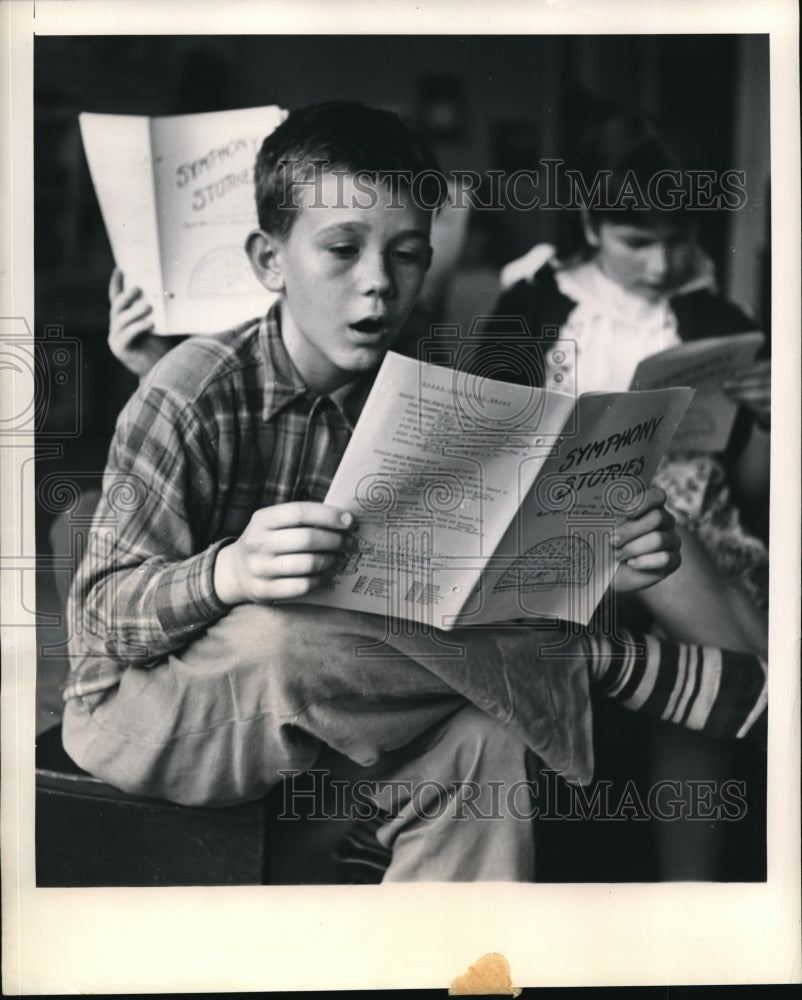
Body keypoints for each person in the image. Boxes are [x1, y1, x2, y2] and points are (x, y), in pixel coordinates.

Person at [65, 101, 766, 883]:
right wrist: (227, 571)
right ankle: (600, 664)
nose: (378, 285)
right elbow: (102, 617)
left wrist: (598, 561)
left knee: (485, 740)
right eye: (342, 250)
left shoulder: (422, 398)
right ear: (269, 260)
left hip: (328, 713)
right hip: (154, 712)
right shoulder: (190, 389)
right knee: (280, 632)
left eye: (406, 255)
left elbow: (452, 594)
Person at [487, 112, 770, 878]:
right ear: (590, 222)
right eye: (636, 242)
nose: (661, 262)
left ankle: (691, 898)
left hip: (697, 542)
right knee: (644, 511)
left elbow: (751, 493)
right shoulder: (532, 306)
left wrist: (776, 420)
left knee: (696, 627)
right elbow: (478, 447)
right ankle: (775, 679)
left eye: (677, 239)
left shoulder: (719, 319)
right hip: (562, 535)